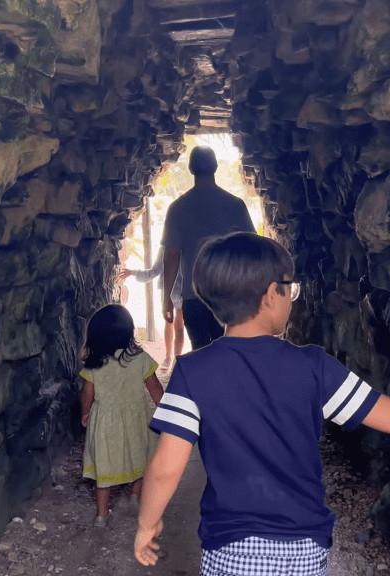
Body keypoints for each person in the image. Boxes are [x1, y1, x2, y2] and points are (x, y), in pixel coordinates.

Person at [133, 232, 390, 573]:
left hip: (231, 546)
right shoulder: (312, 366)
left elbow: (167, 466)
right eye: (291, 288)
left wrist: (147, 524)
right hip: (303, 544)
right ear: (273, 295)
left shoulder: (192, 371)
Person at [79, 304, 165, 528]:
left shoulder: (95, 363)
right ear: (129, 332)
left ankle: (101, 515)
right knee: (139, 456)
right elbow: (155, 388)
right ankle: (135, 497)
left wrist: (85, 413)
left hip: (105, 423)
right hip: (136, 421)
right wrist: (166, 411)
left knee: (104, 467)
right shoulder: (140, 359)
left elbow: (87, 392)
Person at [161, 146, 254, 350]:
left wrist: (166, 298)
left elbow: (172, 256)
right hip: (229, 294)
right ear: (216, 167)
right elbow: (251, 249)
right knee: (229, 353)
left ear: (191, 169)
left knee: (201, 353)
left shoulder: (178, 208)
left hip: (194, 297)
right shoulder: (235, 205)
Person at [119, 248, 185, 365]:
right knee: (179, 324)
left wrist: (133, 272)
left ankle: (168, 357)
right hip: (181, 290)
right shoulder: (187, 245)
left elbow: (154, 271)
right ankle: (176, 359)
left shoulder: (166, 248)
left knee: (169, 322)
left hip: (167, 290)